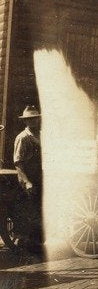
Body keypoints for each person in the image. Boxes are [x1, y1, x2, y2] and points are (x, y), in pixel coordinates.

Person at [13, 105, 43, 249]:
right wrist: (26, 181)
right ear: (25, 122)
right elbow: (18, 162)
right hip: (28, 177)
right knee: (30, 210)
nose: (33, 122)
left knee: (38, 208)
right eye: (29, 120)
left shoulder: (40, 135)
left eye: (35, 119)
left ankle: (36, 241)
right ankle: (24, 240)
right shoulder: (22, 138)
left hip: (39, 176)